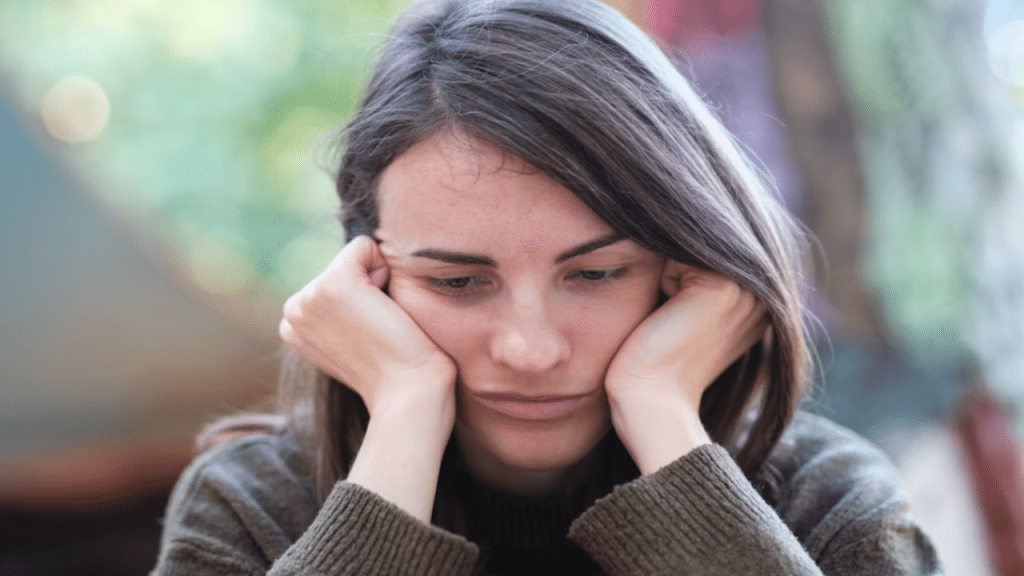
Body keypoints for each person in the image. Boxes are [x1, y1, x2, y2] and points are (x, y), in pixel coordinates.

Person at [151, 0, 942, 574]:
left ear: (688, 267)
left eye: (596, 274)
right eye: (458, 280)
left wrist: (663, 419)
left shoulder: (828, 507)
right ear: (366, 275)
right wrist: (401, 424)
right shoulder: (254, 508)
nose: (529, 349)